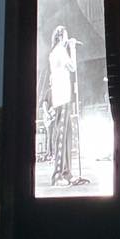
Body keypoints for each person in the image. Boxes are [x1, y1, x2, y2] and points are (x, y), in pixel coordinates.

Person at [47, 26, 78, 186]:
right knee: (61, 135)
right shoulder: (60, 50)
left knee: (67, 134)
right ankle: (57, 175)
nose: (67, 37)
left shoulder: (55, 51)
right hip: (62, 97)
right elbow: (73, 67)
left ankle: (66, 172)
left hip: (62, 96)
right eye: (66, 35)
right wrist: (72, 47)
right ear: (61, 36)